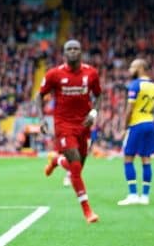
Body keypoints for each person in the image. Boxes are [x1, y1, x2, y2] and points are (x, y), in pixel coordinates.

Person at [34, 39, 102, 223]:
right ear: (64, 53)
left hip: (84, 125)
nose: (73, 51)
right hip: (64, 125)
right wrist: (41, 119)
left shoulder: (91, 73)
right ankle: (87, 211)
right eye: (69, 49)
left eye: (76, 49)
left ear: (81, 52)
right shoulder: (54, 74)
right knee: (76, 168)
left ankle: (57, 160)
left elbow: (99, 95)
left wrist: (94, 112)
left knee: (78, 164)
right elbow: (39, 96)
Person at [117, 59, 154, 206]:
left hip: (137, 124)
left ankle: (133, 194)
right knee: (146, 159)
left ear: (140, 68)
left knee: (128, 158)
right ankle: (145, 196)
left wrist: (124, 127)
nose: (129, 69)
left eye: (132, 66)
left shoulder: (135, 85)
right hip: (150, 122)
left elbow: (129, 109)